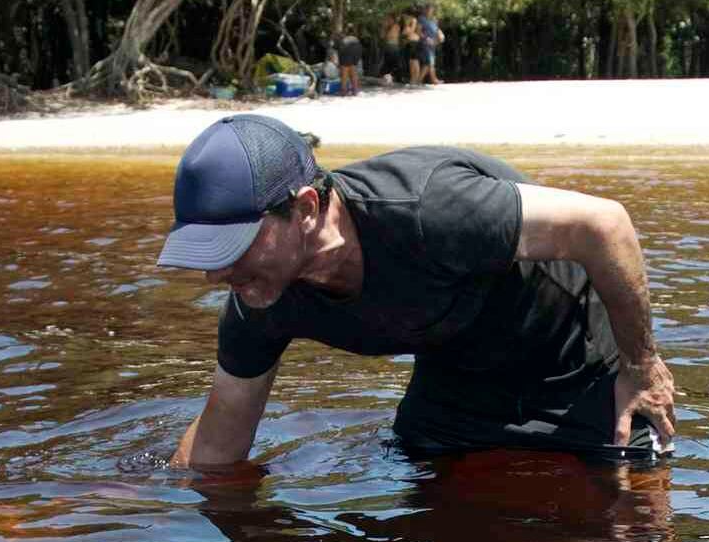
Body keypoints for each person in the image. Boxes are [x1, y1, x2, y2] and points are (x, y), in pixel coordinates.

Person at [159, 111, 677, 467]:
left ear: (306, 210)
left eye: (235, 245)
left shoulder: (429, 208)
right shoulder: (259, 296)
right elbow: (218, 442)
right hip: (456, 384)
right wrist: (116, 508)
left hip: (573, 368)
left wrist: (642, 366)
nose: (216, 274)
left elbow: (605, 225)